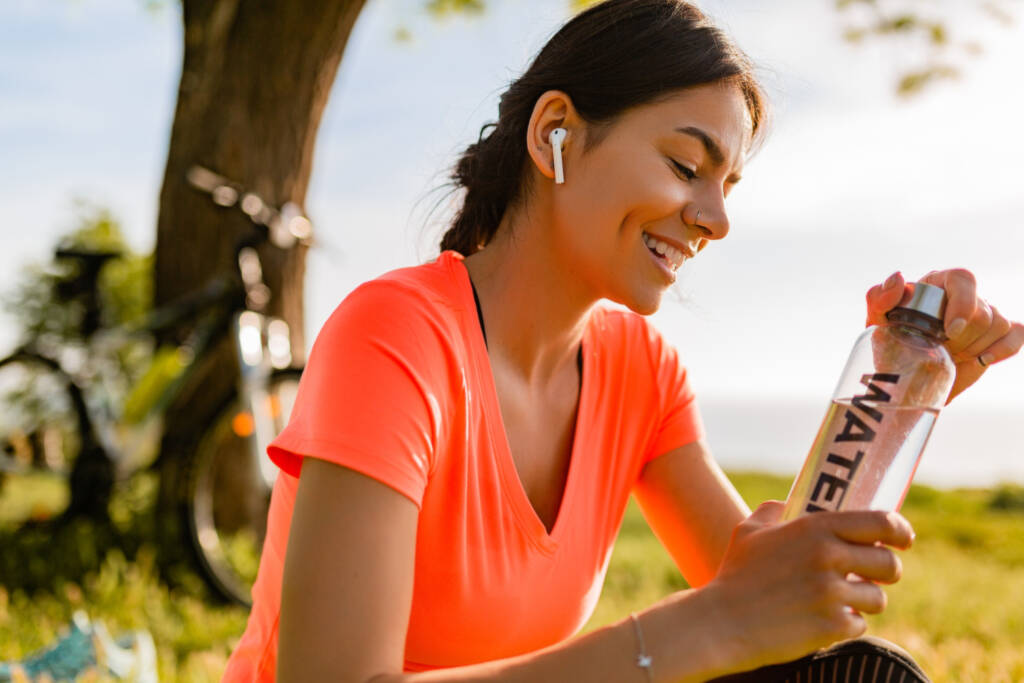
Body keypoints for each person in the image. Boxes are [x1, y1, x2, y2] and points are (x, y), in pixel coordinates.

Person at [223, 0, 1024, 680]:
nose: (715, 218)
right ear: (555, 135)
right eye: (685, 164)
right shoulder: (396, 337)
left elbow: (782, 607)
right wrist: (686, 631)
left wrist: (897, 395)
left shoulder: (640, 371)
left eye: (727, 186)